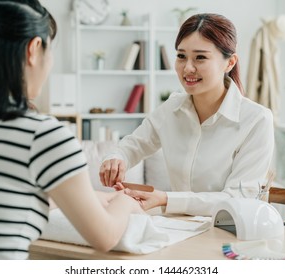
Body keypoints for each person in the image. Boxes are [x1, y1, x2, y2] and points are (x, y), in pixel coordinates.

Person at [0, 0, 142, 260]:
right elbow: (104, 236)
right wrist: (126, 202)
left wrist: (86, 196)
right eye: (51, 51)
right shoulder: (42, 136)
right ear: (34, 49)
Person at [99, 13, 275, 216]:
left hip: (228, 234)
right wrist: (115, 158)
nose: (188, 68)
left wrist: (166, 199)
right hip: (176, 229)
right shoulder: (172, 108)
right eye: (181, 56)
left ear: (230, 63)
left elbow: (237, 200)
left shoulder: (256, 120)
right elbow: (133, 145)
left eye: (200, 57)